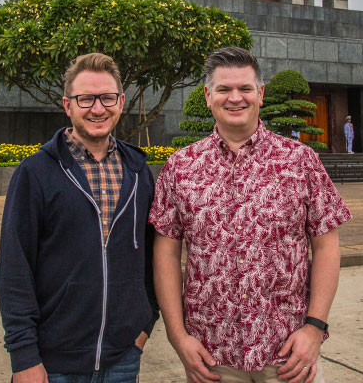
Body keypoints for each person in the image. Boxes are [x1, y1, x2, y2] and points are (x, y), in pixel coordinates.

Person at [150, 47, 351, 383]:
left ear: (260, 93)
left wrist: (315, 328)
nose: (235, 98)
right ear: (207, 95)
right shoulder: (181, 168)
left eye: (244, 88)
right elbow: (166, 253)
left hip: (287, 354)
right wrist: (177, 336)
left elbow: (327, 246)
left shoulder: (300, 161)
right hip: (211, 357)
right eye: (224, 89)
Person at [0, 53, 159, 383]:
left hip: (124, 356)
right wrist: (23, 356)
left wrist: (145, 324)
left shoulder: (138, 171)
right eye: (86, 99)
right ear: (67, 105)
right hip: (52, 361)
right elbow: (14, 267)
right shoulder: (36, 173)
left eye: (107, 98)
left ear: (121, 101)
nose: (98, 109)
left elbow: (154, 257)